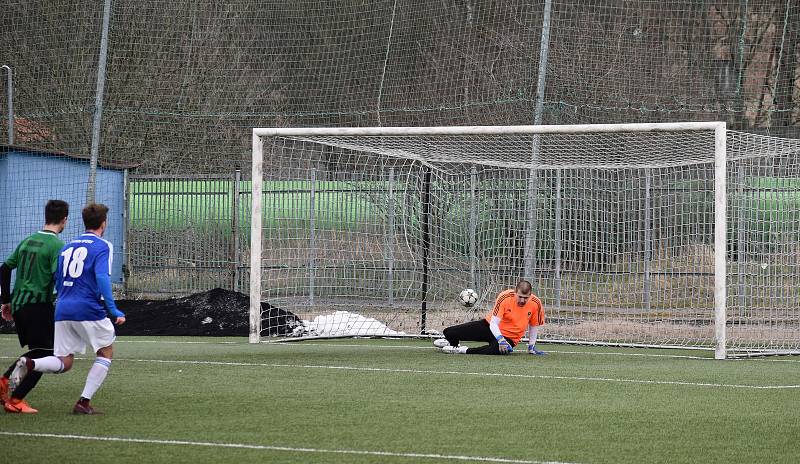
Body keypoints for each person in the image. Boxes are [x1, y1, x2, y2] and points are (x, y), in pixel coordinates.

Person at [10, 203, 126, 415]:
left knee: (65, 361)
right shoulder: (103, 246)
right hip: (88, 308)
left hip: (62, 308)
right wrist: (113, 309)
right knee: (105, 351)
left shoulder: (67, 246)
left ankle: (30, 362)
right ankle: (83, 402)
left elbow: (59, 278)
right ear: (104, 223)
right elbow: (102, 277)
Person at [0, 200, 69, 413]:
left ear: (46, 216)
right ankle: (16, 398)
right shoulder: (57, 245)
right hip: (38, 305)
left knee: (38, 351)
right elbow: (58, 277)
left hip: (20, 305)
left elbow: (4, 268)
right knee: (46, 355)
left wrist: (6, 300)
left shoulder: (28, 240)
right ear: (64, 219)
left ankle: (5, 384)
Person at [434, 280, 546, 355]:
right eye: (520, 296)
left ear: (530, 295)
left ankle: (462, 350)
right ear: (515, 292)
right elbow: (493, 323)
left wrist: (531, 346)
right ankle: (450, 343)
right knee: (449, 332)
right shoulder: (505, 297)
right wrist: (500, 339)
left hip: (510, 338)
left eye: (526, 298)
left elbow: (534, 325)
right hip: (489, 327)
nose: (522, 300)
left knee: (498, 350)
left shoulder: (536, 303)